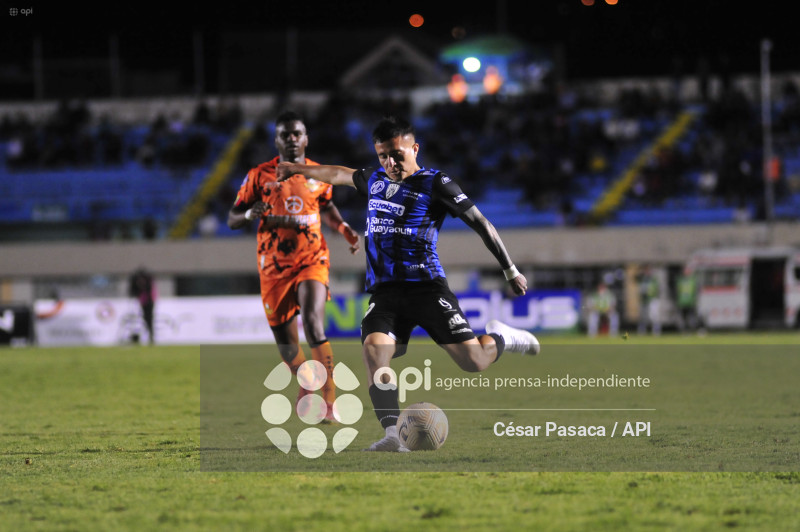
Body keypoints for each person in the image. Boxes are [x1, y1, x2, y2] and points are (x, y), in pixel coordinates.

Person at [277, 115, 539, 452]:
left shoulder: (436, 183)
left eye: (397, 154)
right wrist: (299, 169)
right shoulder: (373, 179)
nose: (390, 162)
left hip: (427, 287)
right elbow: (337, 174)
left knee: (473, 361)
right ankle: (391, 434)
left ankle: (503, 337)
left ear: (414, 149)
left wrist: (510, 270)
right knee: (375, 352)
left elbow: (481, 223)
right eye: (383, 155)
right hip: (386, 292)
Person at [227, 110, 360, 423]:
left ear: (306, 138)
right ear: (276, 140)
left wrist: (343, 229)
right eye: (284, 134)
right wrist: (248, 215)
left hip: (312, 260)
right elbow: (233, 216)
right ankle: (307, 383)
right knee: (288, 350)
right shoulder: (258, 175)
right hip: (273, 268)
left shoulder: (318, 174)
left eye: (296, 133)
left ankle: (329, 403)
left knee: (314, 324)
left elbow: (326, 205)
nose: (291, 139)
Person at [129, 266, 156, 345]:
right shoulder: (142, 281)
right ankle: (148, 337)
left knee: (149, 319)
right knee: (146, 319)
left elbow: (150, 292)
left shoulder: (148, 281)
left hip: (148, 302)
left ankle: (150, 337)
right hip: (143, 301)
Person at [637, 265, 662, 336]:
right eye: (646, 271)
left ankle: (656, 331)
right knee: (643, 316)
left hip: (652, 299)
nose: (647, 272)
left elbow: (656, 289)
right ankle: (642, 331)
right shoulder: (642, 279)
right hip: (644, 300)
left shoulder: (653, 279)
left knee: (654, 316)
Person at [675, 266, 698, 334]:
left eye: (688, 271)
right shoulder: (680, 280)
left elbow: (695, 291)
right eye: (685, 271)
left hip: (690, 302)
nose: (686, 272)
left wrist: (695, 300)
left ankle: (694, 329)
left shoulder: (693, 280)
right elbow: (677, 291)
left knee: (692, 317)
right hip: (682, 302)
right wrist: (678, 300)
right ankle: (685, 330)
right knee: (684, 317)